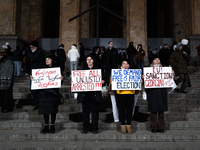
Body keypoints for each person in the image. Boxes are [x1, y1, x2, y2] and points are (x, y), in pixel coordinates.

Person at [34, 55, 63, 134]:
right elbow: (38, 80)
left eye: (49, 59)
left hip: (53, 93)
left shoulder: (57, 69)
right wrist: (34, 78)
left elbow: (59, 82)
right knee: (45, 110)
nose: (47, 60)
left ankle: (52, 126)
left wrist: (61, 79)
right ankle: (46, 125)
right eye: (46, 59)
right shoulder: (42, 69)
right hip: (44, 93)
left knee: (52, 110)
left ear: (52, 60)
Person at [77, 55, 104, 134]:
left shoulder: (98, 71)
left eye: (90, 59)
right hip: (85, 94)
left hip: (94, 94)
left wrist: (103, 81)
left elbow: (104, 79)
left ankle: (95, 127)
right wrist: (74, 82)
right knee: (85, 111)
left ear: (93, 60)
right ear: (85, 61)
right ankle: (85, 127)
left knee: (95, 111)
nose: (89, 61)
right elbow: (78, 80)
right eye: (87, 59)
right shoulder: (82, 71)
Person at [144, 55, 169, 133]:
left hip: (162, 92)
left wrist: (171, 74)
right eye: (155, 59)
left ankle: (161, 127)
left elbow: (169, 81)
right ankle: (153, 127)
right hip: (153, 92)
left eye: (158, 59)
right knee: (153, 111)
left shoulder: (165, 70)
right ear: (152, 61)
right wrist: (144, 78)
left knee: (161, 111)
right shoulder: (149, 70)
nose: (157, 61)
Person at [114, 59, 135, 134]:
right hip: (120, 94)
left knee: (129, 110)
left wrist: (140, 81)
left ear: (129, 65)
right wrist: (111, 80)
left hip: (130, 93)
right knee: (121, 110)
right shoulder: (117, 73)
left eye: (127, 64)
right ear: (121, 65)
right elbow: (113, 83)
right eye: (124, 63)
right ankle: (122, 125)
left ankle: (129, 125)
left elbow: (137, 83)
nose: (125, 65)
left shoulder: (133, 73)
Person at [28, 40, 45, 110]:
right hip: (33, 73)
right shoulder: (33, 52)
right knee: (33, 89)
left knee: (36, 90)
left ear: (36, 47)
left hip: (38, 73)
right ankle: (37, 101)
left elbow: (32, 59)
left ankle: (38, 102)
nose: (31, 49)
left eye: (32, 47)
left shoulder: (40, 52)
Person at [0, 43, 14, 113]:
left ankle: (8, 107)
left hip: (7, 80)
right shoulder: (4, 60)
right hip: (4, 80)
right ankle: (5, 106)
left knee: (7, 95)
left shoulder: (8, 61)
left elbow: (7, 71)